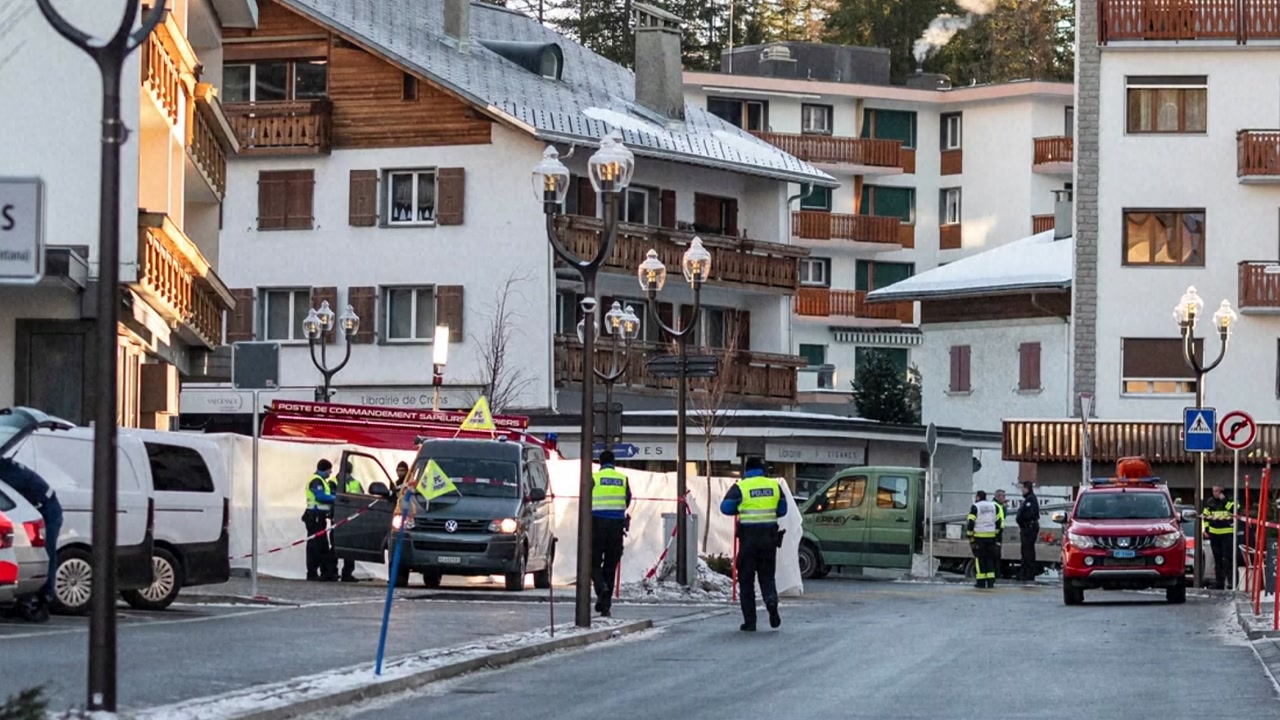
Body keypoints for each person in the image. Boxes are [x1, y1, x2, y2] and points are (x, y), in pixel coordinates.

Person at [721, 456, 788, 631]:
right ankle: (771, 603)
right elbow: (783, 509)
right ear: (762, 470)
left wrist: (740, 507)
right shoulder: (774, 486)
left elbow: (725, 507)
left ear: (746, 470)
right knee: (767, 577)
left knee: (746, 580)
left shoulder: (740, 487)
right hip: (769, 539)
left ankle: (750, 622)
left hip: (748, 540)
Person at [0, 457, 62, 606]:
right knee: (45, 552)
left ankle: (45, 595)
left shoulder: (7, 474)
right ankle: (39, 596)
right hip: (46, 503)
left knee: (46, 551)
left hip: (47, 508)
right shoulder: (7, 467)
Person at [590, 450, 631, 617]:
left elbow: (585, 499)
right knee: (610, 565)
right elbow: (627, 499)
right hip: (616, 526)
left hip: (596, 524)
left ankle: (601, 588)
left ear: (600, 463)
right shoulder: (622, 479)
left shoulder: (593, 478)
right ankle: (606, 607)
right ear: (613, 463)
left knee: (593, 562)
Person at [304, 459, 339, 582]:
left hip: (319, 517)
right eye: (329, 470)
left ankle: (324, 572)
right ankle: (312, 573)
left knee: (322, 545)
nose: (331, 472)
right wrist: (336, 498)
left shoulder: (322, 481)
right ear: (324, 469)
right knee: (314, 546)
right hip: (315, 517)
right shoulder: (316, 480)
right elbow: (321, 497)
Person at [967, 490, 1003, 589]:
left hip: (979, 537)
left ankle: (981, 582)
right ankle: (991, 582)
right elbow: (999, 521)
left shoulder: (976, 506)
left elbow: (971, 522)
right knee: (989, 559)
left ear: (978, 497)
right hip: (991, 537)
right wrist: (995, 534)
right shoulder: (993, 506)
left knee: (979, 560)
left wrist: (970, 536)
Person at [1203, 485, 1236, 590]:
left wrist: (1224, 500)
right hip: (1214, 534)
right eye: (1213, 491)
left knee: (1228, 559)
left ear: (1222, 491)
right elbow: (1205, 517)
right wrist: (1207, 530)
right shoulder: (1210, 502)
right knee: (1217, 560)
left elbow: (1234, 510)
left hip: (1227, 534)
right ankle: (1219, 582)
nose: (1215, 493)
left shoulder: (1229, 499)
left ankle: (1231, 582)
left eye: (1217, 491)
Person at [338, 462, 363, 583]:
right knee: (348, 547)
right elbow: (362, 498)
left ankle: (331, 572)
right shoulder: (355, 483)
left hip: (339, 517)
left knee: (336, 546)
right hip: (351, 517)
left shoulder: (333, 481)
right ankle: (346, 573)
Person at [1016, 482, 1041, 582]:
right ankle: (1024, 573)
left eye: (1023, 488)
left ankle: (1028, 574)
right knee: (1025, 551)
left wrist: (1022, 521)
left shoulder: (1031, 499)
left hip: (1029, 528)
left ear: (1027, 488)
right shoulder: (1028, 499)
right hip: (1026, 528)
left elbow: (1027, 514)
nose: (1022, 490)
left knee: (1028, 552)